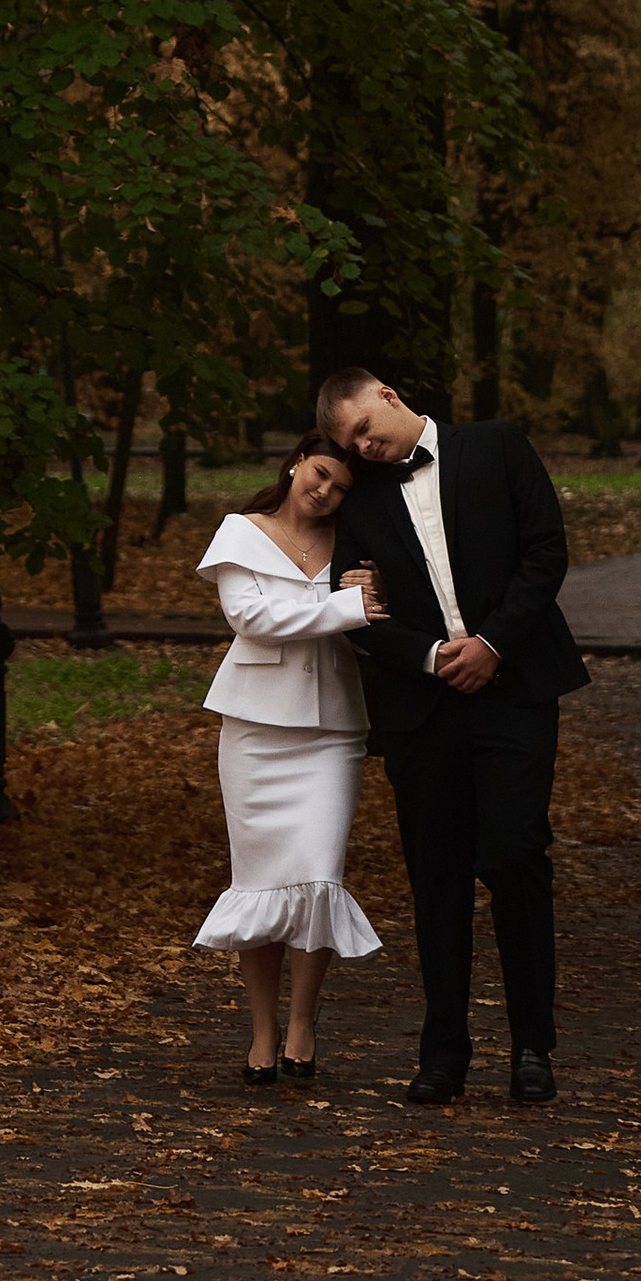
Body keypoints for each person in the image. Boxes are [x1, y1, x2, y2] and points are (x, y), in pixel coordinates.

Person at [313, 366, 588, 1108]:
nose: (364, 446)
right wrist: (431, 656)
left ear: (389, 396)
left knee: (515, 854)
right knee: (435, 877)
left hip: (515, 689)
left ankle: (533, 1045)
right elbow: (356, 606)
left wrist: (493, 642)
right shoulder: (361, 499)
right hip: (422, 707)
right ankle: (444, 1053)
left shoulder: (497, 447)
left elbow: (545, 550)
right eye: (350, 443)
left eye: (366, 428)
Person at [191, 431, 390, 1086]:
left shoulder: (355, 544)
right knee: (260, 883)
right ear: (297, 462)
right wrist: (342, 605)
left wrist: (371, 596)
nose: (325, 490)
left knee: (316, 874)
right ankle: (262, 1029)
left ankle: (303, 1019)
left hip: (332, 727)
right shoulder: (239, 533)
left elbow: (380, 612)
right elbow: (251, 618)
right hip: (254, 728)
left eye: (339, 486)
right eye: (321, 473)